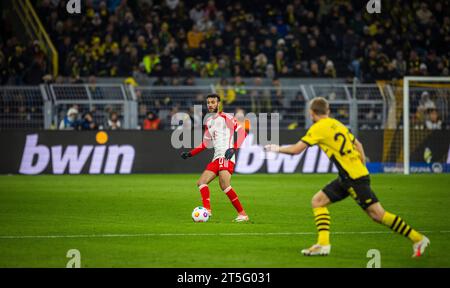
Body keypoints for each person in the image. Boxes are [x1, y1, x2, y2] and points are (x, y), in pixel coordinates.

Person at [265, 97, 429, 257]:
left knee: (378, 215)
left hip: (353, 178)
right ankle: (323, 244)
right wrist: (362, 166)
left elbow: (296, 150)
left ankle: (418, 239)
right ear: (327, 111)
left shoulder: (318, 128)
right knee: (318, 201)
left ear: (311, 113)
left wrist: (276, 148)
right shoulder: (337, 124)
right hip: (349, 176)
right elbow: (359, 145)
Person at [180, 94, 249, 222]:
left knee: (224, 185)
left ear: (219, 104)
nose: (210, 104)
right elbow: (206, 144)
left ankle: (243, 214)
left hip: (226, 155)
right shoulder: (209, 122)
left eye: (213, 102)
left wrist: (233, 148)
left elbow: (242, 132)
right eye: (208, 102)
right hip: (216, 158)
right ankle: (207, 210)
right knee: (201, 183)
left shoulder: (227, 117)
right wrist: (190, 153)